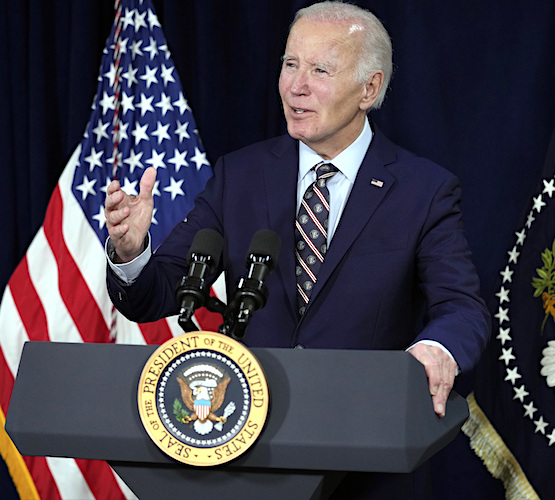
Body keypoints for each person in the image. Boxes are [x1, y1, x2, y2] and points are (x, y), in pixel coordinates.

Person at [105, 1, 489, 422]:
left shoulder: (423, 190)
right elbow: (155, 295)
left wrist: (437, 349)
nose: (295, 87)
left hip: (366, 436)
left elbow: (461, 307)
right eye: (290, 64)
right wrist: (130, 251)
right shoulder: (241, 176)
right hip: (250, 437)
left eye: (320, 71)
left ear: (369, 89)